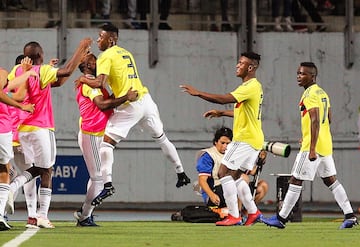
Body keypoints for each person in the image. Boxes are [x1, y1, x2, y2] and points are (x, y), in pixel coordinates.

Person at [77, 23, 190, 207]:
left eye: (101, 36)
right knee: (161, 138)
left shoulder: (106, 55)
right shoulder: (126, 52)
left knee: (106, 144)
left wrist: (82, 78)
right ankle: (181, 171)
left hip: (131, 104)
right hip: (146, 100)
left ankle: (108, 184)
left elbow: (99, 83)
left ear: (111, 39)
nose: (98, 40)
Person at [5, 37, 92, 229]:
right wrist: (80, 48)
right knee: (47, 170)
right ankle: (40, 214)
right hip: (41, 126)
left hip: (21, 129)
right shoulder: (42, 70)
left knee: (35, 169)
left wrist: (72, 61)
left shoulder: (17, 71)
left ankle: (32, 214)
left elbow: (58, 82)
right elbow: (67, 70)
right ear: (40, 55)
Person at [262, 62, 358, 229]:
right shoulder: (322, 93)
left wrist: (311, 146)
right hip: (325, 145)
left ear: (312, 76)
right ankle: (350, 215)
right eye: (298, 73)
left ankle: (281, 218)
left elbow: (315, 120)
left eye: (303, 74)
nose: (299, 76)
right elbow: (328, 118)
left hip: (312, 148)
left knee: (295, 180)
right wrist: (310, 136)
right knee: (331, 181)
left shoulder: (309, 94)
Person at [180, 51, 265, 226]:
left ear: (250, 67)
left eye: (241, 63)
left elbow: (223, 99)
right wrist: (222, 113)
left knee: (223, 173)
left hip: (245, 140)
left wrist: (198, 93)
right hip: (254, 140)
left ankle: (234, 215)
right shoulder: (253, 87)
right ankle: (253, 212)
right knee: (237, 176)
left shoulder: (249, 86)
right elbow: (243, 112)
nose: (237, 65)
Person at [74, 53, 138, 227]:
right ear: (87, 65)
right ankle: (84, 215)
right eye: (94, 60)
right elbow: (102, 104)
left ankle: (85, 212)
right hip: (91, 135)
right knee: (98, 179)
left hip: (97, 134)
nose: (98, 62)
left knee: (96, 178)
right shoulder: (88, 82)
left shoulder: (94, 82)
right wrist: (126, 97)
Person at [195, 127, 268, 217]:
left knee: (263, 186)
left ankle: (245, 214)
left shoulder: (235, 154)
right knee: (243, 178)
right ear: (215, 142)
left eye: (228, 143)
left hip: (234, 189)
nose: (225, 146)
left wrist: (261, 160)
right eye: (222, 143)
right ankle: (237, 214)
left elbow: (252, 172)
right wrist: (211, 195)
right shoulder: (208, 155)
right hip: (216, 190)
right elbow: (202, 180)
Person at [0, 67, 35, 231]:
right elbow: (11, 94)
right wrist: (21, 107)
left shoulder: (6, 79)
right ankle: (0, 216)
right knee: (4, 171)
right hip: (2, 129)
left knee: (9, 171)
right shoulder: (1, 73)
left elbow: (11, 87)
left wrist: (27, 74)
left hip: (7, 132)